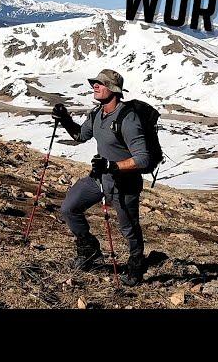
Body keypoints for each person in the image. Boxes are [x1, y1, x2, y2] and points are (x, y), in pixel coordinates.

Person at [52, 69, 149, 286]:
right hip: (99, 179)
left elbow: (143, 159)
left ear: (113, 90)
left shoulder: (128, 119)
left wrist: (112, 165)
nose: (95, 86)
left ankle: (136, 265)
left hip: (124, 183)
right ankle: (89, 250)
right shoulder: (97, 114)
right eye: (95, 82)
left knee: (129, 228)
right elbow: (79, 135)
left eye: (101, 83)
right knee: (69, 208)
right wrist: (65, 118)